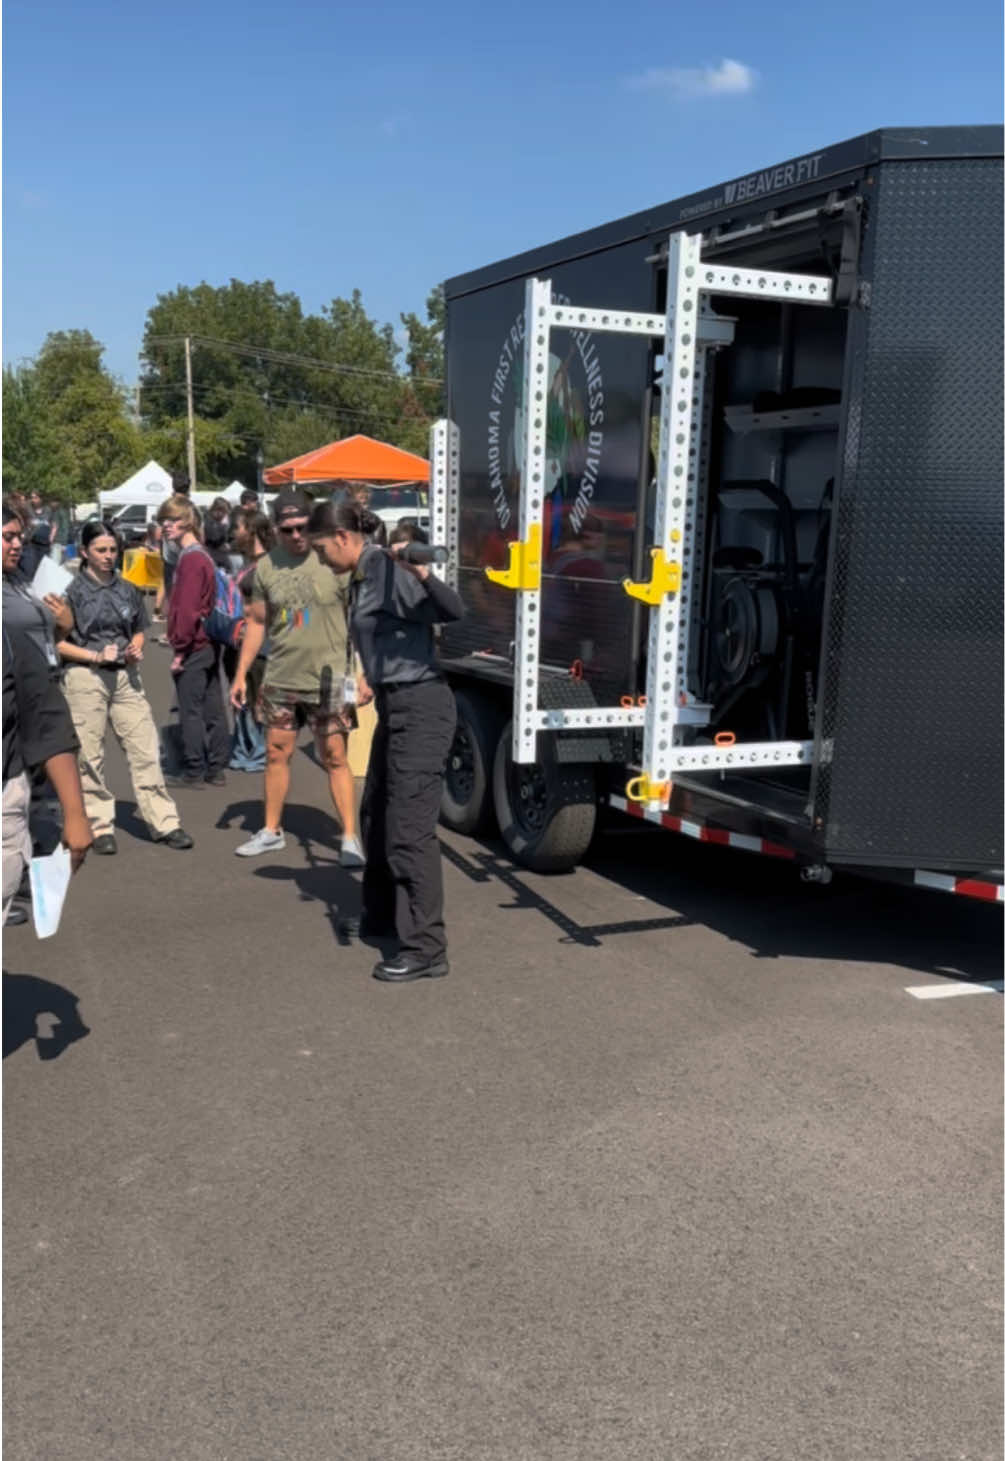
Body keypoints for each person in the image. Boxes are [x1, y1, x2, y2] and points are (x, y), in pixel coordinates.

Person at [309, 499, 464, 983]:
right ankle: (383, 920)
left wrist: (421, 574)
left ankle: (426, 948)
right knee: (376, 814)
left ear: (342, 538)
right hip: (394, 702)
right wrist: (368, 680)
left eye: (318, 547)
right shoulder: (362, 575)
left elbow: (453, 610)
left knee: (408, 830)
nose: (317, 557)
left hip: (423, 706)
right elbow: (387, 638)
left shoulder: (389, 569)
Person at [229, 487, 363, 864]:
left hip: (331, 676)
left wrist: (362, 672)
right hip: (282, 677)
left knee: (335, 756)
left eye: (302, 527)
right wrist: (240, 675)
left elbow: (361, 620)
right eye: (287, 530)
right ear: (275, 529)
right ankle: (271, 831)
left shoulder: (333, 559)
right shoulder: (267, 567)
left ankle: (350, 837)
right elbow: (256, 622)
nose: (297, 536)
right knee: (276, 753)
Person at [57, 521, 193, 855]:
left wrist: (135, 647)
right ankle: (100, 823)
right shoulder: (70, 592)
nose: (107, 556)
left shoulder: (127, 588)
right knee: (90, 754)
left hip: (125, 676)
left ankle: (164, 822)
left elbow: (138, 628)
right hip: (85, 675)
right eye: (100, 550)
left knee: (144, 748)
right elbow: (57, 643)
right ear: (86, 552)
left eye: (112, 550)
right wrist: (93, 654)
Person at [3, 523, 93, 926]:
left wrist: (75, 812)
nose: (17, 543)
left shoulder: (17, 592)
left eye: (17, 535)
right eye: (7, 536)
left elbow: (42, 707)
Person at [157, 494, 230, 788]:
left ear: (186, 522)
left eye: (171, 520)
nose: (165, 525)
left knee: (191, 709)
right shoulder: (202, 556)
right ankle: (215, 767)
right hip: (209, 640)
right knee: (212, 706)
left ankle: (194, 769)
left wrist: (179, 650)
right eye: (163, 520)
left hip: (195, 643)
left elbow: (186, 610)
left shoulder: (190, 560)